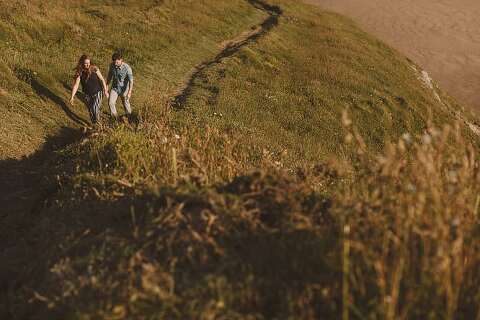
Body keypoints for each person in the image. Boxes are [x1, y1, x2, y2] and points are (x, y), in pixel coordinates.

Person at [70, 54, 109, 124]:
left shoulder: (94, 69)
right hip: (87, 94)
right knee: (91, 111)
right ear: (82, 63)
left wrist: (105, 91)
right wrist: (72, 96)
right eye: (86, 63)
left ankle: (99, 124)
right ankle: (95, 125)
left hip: (98, 92)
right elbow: (76, 85)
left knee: (95, 108)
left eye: (89, 62)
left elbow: (102, 79)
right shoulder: (80, 72)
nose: (88, 65)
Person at [107, 52, 134, 119]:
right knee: (111, 103)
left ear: (121, 60)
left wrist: (129, 92)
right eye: (114, 62)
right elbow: (109, 76)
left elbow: (131, 81)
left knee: (125, 103)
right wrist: (106, 86)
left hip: (124, 89)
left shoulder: (127, 68)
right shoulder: (112, 65)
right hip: (115, 88)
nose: (115, 64)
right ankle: (115, 118)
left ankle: (129, 117)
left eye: (117, 62)